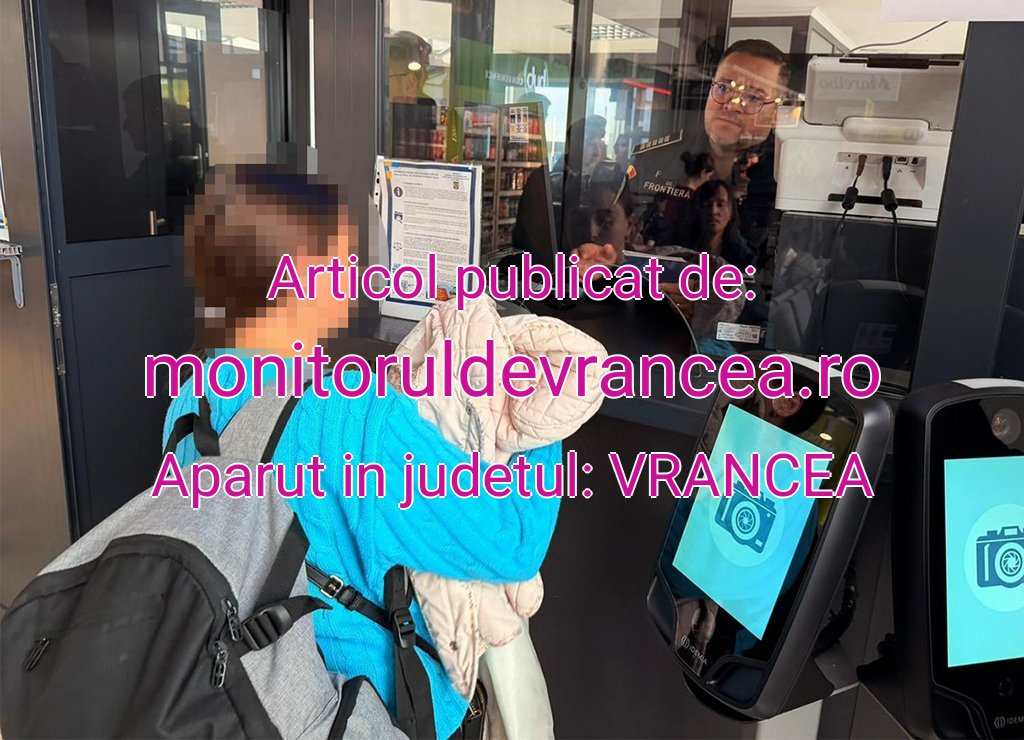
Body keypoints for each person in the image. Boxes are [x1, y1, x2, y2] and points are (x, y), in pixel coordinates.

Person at [161, 164, 562, 738]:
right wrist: (529, 396)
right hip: (352, 706)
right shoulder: (354, 417)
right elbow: (512, 541)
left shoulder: (191, 397)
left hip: (233, 687)